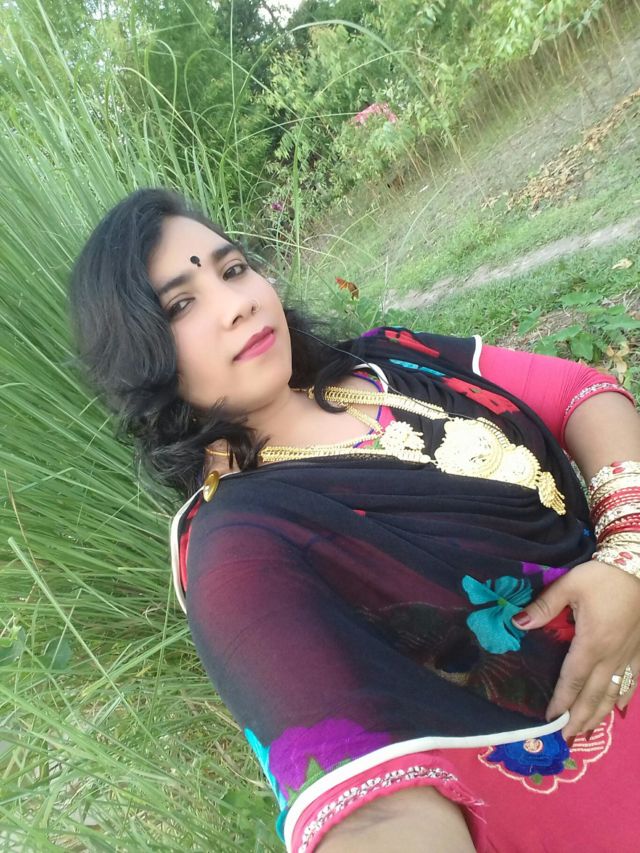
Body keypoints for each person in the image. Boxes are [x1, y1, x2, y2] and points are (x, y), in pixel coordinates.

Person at [69, 188, 640, 852]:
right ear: (141, 359)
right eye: (181, 305)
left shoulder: (387, 358)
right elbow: (369, 811)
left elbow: (581, 393)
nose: (238, 303)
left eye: (233, 269)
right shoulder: (239, 546)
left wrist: (627, 552)